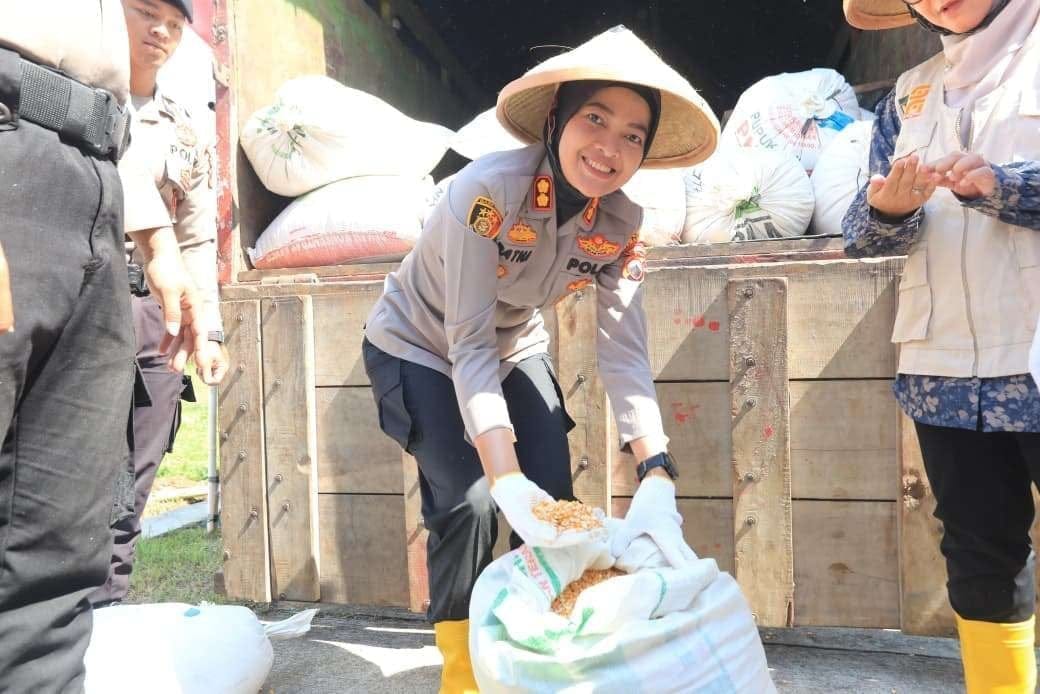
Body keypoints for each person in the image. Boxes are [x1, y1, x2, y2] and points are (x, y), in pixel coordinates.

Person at [362, 26, 718, 693]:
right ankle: (465, 675)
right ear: (555, 119)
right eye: (595, 118)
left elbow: (624, 353)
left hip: (512, 342)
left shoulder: (622, 226)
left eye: (633, 136)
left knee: (559, 505)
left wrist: (657, 468)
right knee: (469, 502)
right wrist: (503, 480)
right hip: (418, 344)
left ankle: (538, 655)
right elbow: (464, 343)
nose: (610, 148)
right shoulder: (485, 193)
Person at [0, 0, 209, 690]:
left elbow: (101, 102)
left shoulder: (172, 121)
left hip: (96, 176)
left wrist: (154, 237)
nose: (158, 30)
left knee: (57, 549)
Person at [842, 0, 1040, 690]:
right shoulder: (908, 91)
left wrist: (1004, 187)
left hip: (1035, 355)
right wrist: (889, 211)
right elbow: (861, 234)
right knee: (979, 557)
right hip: (944, 369)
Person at [89, 0, 229, 608]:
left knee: (133, 482)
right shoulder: (70, 99)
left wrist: (209, 331)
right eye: (145, 13)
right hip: (82, 300)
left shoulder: (184, 127)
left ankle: (106, 615)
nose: (160, 32)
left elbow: (196, 239)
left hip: (154, 315)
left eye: (174, 24)